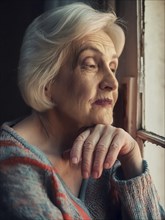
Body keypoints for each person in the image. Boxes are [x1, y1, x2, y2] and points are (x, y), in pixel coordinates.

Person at [0, 2, 164, 220]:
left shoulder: (104, 150)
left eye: (112, 67)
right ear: (47, 83)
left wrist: (132, 159)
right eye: (90, 65)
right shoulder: (11, 170)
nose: (112, 83)